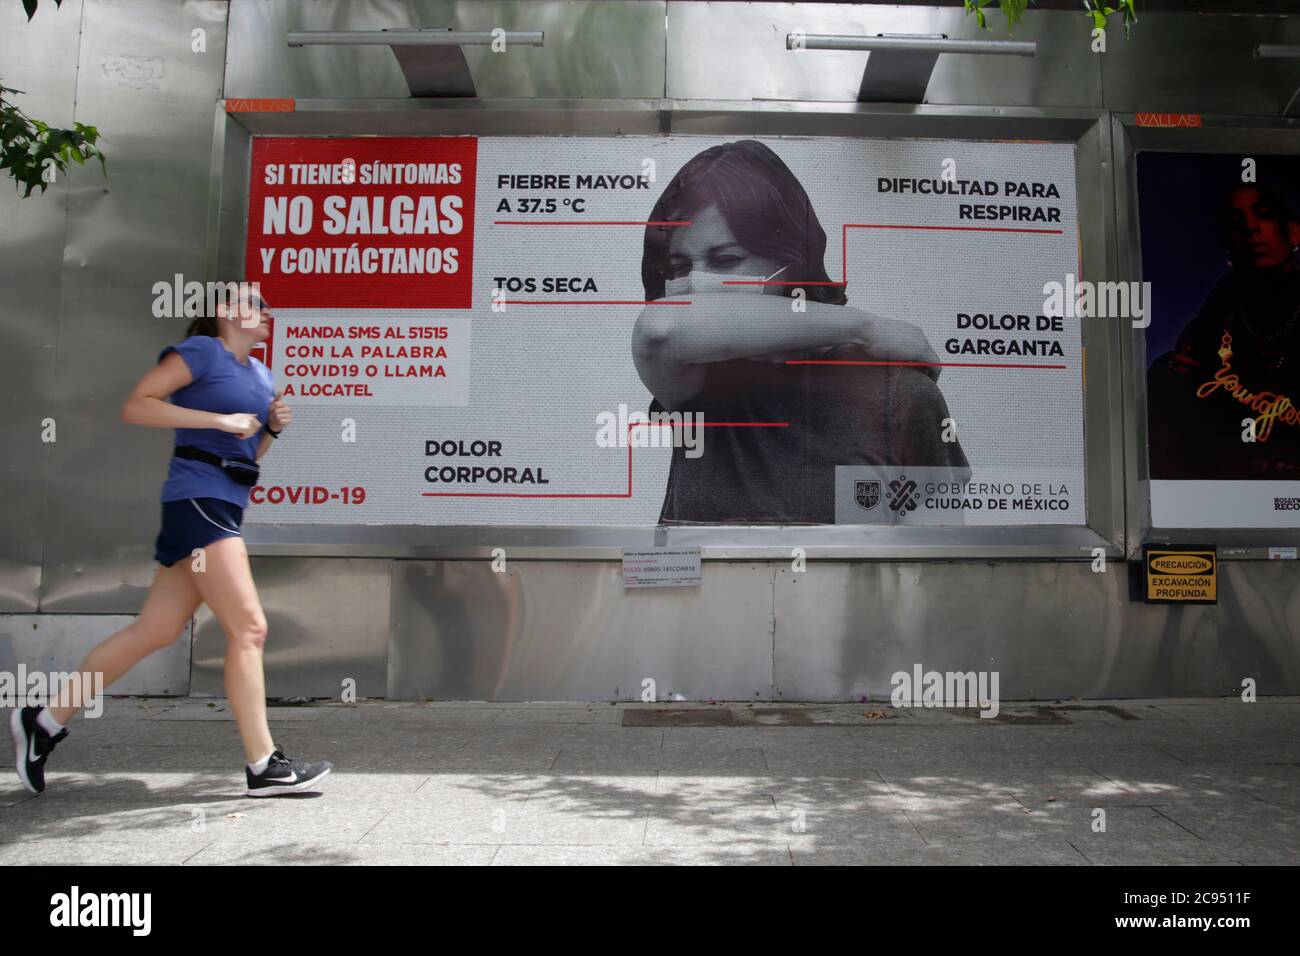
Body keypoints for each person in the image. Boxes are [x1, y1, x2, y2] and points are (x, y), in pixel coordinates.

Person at [10, 286, 332, 797]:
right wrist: (217, 419)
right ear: (227, 312)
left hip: (223, 503)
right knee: (249, 627)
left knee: (154, 631)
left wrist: (271, 429)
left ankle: (44, 721)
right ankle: (263, 765)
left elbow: (248, 458)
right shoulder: (203, 353)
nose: (269, 312)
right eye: (256, 304)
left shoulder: (261, 374)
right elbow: (138, 405)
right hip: (197, 502)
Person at [632, 139, 969, 524]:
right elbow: (659, 329)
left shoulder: (900, 394)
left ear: (791, 260)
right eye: (679, 267)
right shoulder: (699, 380)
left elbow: (938, 565)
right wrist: (866, 327)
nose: (694, 286)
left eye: (725, 260)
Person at [1147, 181, 1300, 480]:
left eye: (1264, 215)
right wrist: (1168, 372)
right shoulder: (1216, 313)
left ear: (1294, 231)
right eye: (1236, 223)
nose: (1251, 228)